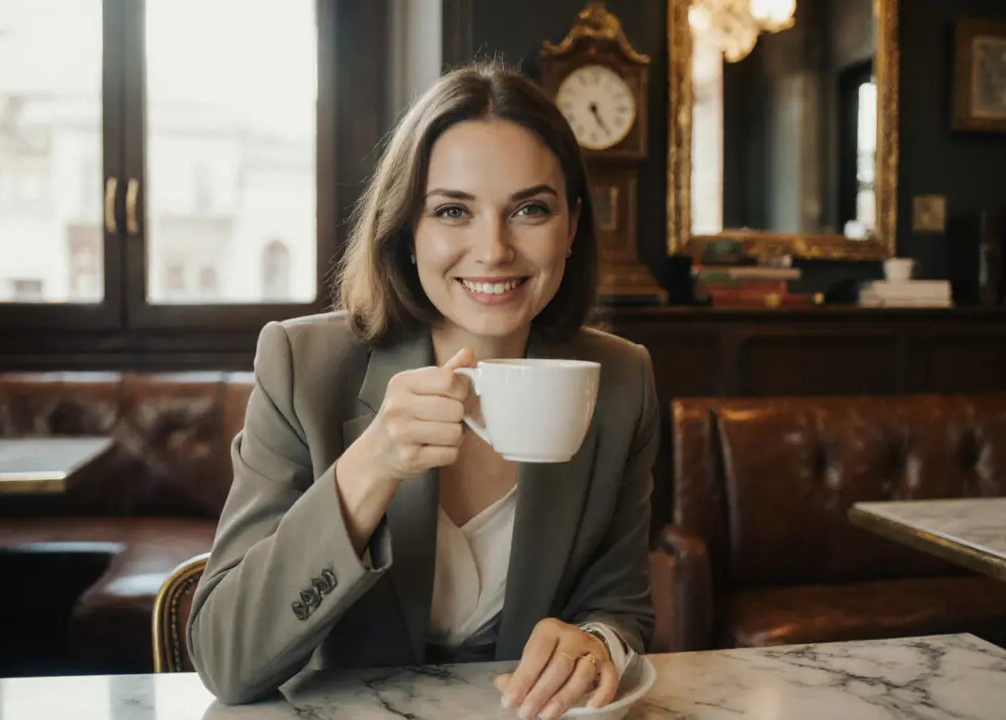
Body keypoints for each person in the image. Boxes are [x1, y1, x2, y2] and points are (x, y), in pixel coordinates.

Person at [187, 61, 659, 720]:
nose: (493, 249)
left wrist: (596, 642)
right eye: (453, 211)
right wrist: (370, 465)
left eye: (530, 208)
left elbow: (621, 603)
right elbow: (223, 659)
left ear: (573, 225)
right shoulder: (305, 366)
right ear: (408, 228)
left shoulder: (622, 381)